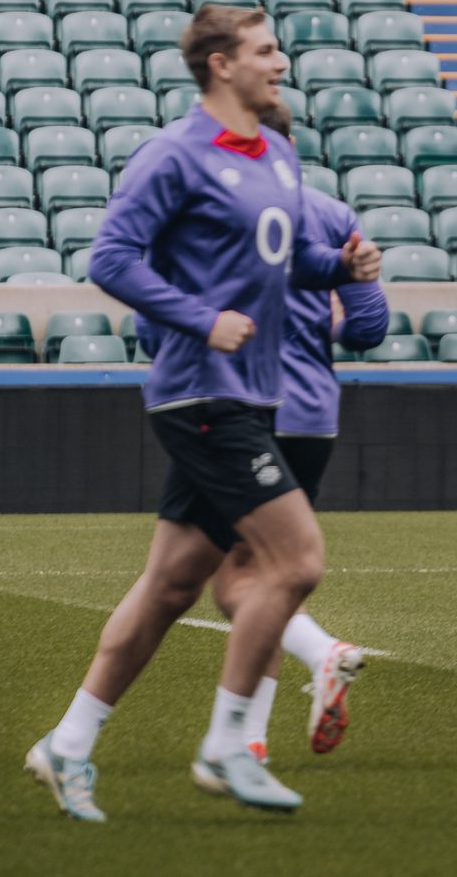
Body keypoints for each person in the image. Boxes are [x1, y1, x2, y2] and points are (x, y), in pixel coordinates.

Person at [25, 5, 381, 821]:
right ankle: (228, 743)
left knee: (172, 583)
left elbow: (285, 259)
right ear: (220, 64)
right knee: (294, 563)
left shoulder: (277, 155)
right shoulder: (174, 155)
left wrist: (344, 264)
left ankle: (68, 744)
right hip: (201, 391)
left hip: (250, 392)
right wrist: (199, 316)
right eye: (264, 50)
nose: (280, 62)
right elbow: (109, 256)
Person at [139, 103, 389, 764]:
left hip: (235, 405)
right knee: (265, 573)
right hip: (313, 412)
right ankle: (249, 737)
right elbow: (368, 326)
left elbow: (152, 327)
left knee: (233, 580)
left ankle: (315, 658)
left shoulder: (211, 214)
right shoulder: (333, 213)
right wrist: (324, 324)